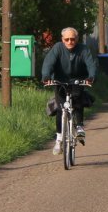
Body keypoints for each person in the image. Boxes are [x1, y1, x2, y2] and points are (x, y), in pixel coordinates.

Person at [41, 27, 98, 155]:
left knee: (77, 101)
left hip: (78, 80)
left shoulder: (83, 49)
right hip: (60, 81)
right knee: (60, 108)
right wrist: (46, 77)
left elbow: (91, 64)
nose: (69, 42)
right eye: (66, 39)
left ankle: (79, 128)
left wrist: (91, 78)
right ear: (62, 39)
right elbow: (48, 63)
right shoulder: (57, 48)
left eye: (72, 39)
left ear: (77, 39)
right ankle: (59, 140)